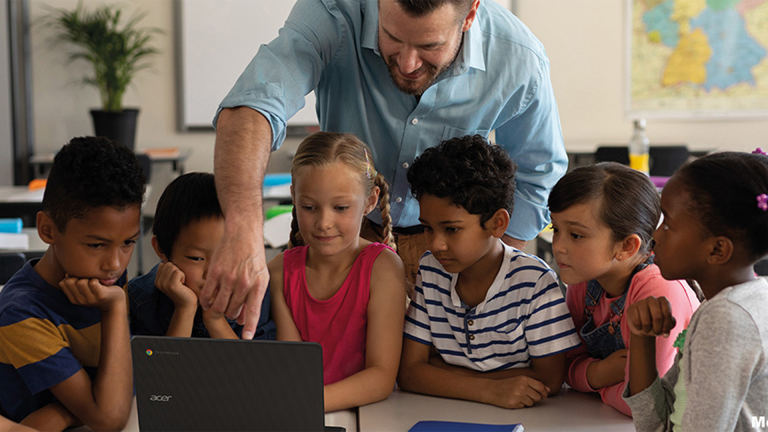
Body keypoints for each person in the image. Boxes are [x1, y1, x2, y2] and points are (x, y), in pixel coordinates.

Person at [206, 0, 567, 339]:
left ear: (470, 14)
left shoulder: (518, 58)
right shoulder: (335, 10)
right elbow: (252, 106)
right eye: (392, 37)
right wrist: (242, 229)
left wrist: (489, 264)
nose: (408, 63)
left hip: (450, 238)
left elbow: (537, 175)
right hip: (347, 231)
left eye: (429, 45)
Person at [397, 135, 580, 409]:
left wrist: (438, 372)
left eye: (451, 229)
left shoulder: (534, 282)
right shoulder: (430, 270)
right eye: (427, 227)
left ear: (497, 223)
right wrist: (489, 390)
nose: (435, 244)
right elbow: (410, 373)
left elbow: (548, 380)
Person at [0, 137, 144, 430]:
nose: (115, 264)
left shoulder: (104, 278)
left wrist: (64, 411)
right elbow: (109, 418)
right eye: (95, 245)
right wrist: (115, 308)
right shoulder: (22, 312)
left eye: (128, 243)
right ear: (47, 229)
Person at [624, 151, 768, 431]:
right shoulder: (726, 305)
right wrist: (642, 338)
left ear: (717, 249)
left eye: (668, 224)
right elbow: (658, 422)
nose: (656, 236)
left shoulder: (726, 319)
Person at [548, 163, 700, 417]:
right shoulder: (584, 280)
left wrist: (597, 387)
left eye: (575, 235)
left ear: (627, 246)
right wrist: (600, 373)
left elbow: (650, 404)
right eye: (556, 229)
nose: (558, 246)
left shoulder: (658, 290)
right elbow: (562, 364)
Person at [268, 132, 406, 412]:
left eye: (341, 208)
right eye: (309, 207)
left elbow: (380, 377)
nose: (323, 223)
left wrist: (306, 403)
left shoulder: (384, 269)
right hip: (302, 412)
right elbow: (293, 369)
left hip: (369, 416)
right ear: (293, 195)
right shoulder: (279, 271)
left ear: (370, 201)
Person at [127, 172, 276, 339]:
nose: (214, 273)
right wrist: (184, 309)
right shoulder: (140, 298)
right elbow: (167, 365)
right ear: (162, 249)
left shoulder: (254, 292)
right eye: (197, 258)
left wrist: (215, 319)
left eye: (228, 257)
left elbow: (249, 365)